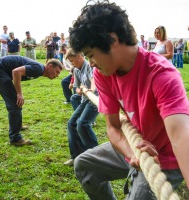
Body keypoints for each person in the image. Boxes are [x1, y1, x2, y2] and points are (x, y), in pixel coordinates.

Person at [69, 0, 189, 199]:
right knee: (84, 165)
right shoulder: (103, 74)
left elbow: (181, 137)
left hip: (164, 159)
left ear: (111, 39)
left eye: (91, 54)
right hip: (134, 146)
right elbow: (113, 127)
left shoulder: (162, 75)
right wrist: (132, 154)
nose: (91, 63)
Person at [0, 56, 62, 146]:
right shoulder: (38, 69)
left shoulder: (39, 70)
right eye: (57, 72)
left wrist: (18, 93)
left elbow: (16, 73)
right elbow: (16, 72)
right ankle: (15, 139)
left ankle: (17, 126)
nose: (57, 75)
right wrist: (19, 93)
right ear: (50, 66)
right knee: (15, 104)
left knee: (16, 102)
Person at [64, 48, 99, 166]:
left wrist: (91, 90)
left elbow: (93, 79)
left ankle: (96, 157)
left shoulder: (89, 66)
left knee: (82, 124)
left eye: (72, 60)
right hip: (85, 100)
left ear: (79, 56)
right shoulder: (76, 70)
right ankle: (77, 156)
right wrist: (79, 91)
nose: (72, 64)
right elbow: (77, 87)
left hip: (95, 99)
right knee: (71, 123)